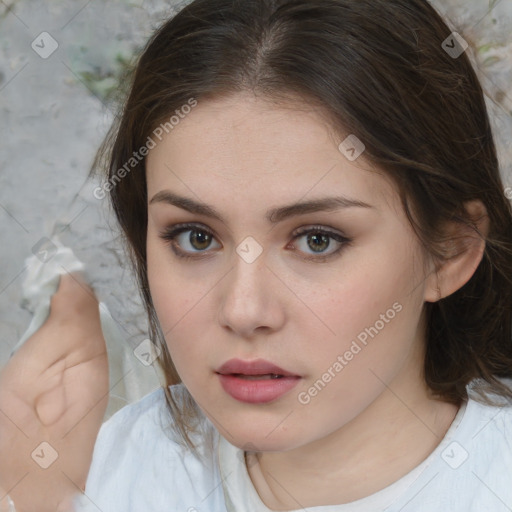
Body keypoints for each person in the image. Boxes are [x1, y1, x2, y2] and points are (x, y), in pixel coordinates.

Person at [1, 0, 512, 510]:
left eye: (318, 240)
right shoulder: (103, 472)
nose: (243, 310)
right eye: (195, 237)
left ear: (449, 252)